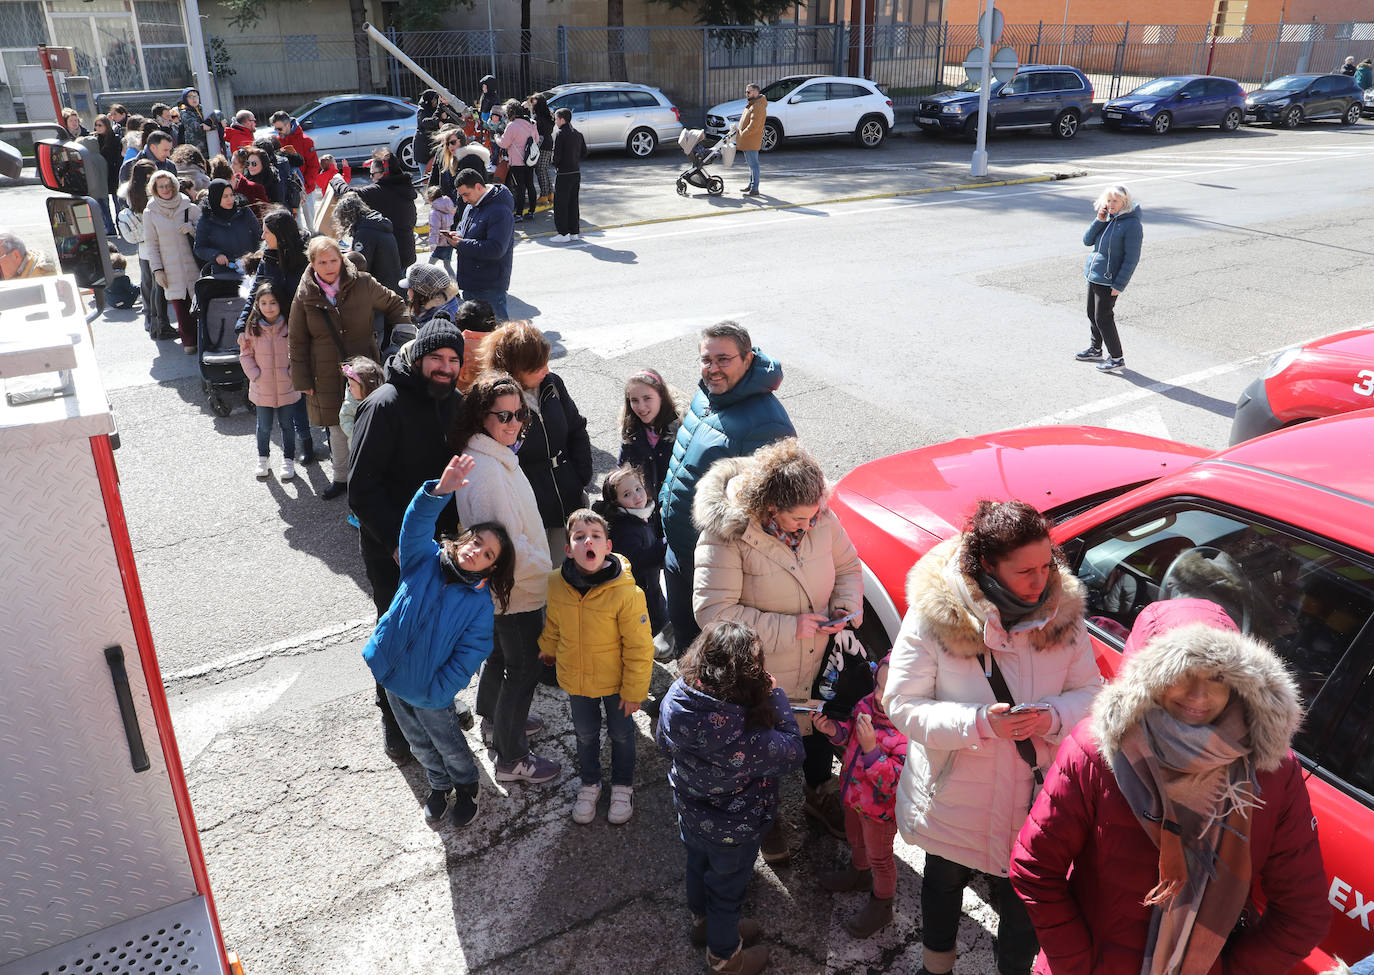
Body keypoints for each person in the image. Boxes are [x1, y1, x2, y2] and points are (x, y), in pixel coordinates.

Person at [1010, 599, 1330, 975]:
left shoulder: (1271, 771)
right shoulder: (1098, 751)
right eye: (1181, 674)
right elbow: (1035, 866)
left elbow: (1303, 914)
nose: (1198, 696)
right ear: (1148, 677)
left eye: (1217, 677)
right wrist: (1077, 963)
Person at [884, 499, 1102, 975]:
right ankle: (935, 967)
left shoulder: (1064, 613)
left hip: (1033, 797)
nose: (1041, 581)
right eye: (1025, 571)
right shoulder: (935, 617)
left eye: (1047, 565)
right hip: (955, 796)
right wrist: (980, 723)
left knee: (1026, 900)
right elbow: (900, 704)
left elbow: (1091, 692)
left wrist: (1052, 716)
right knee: (942, 880)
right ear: (987, 566)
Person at [692, 437, 864, 857]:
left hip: (820, 661)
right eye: (798, 519)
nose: (810, 524)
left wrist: (844, 606)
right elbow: (713, 613)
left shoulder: (818, 514)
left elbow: (847, 565)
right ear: (770, 507)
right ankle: (763, 818)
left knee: (818, 732)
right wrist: (793, 628)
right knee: (760, 749)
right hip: (760, 670)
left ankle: (819, 792)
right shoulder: (728, 533)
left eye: (815, 515)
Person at [361, 454, 516, 829]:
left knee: (448, 742)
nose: (476, 550)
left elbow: (471, 654)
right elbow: (414, 525)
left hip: (430, 692)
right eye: (476, 541)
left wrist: (440, 690)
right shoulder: (424, 559)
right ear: (464, 539)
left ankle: (466, 785)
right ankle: (437, 783)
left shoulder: (478, 605)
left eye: (487, 553)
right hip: (392, 674)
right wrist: (439, 491)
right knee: (417, 742)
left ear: (491, 567)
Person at [656, 619, 805, 975]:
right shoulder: (748, 732)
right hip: (734, 830)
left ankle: (702, 925)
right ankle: (725, 957)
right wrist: (777, 696)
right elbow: (794, 753)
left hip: (690, 813)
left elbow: (662, 741)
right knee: (727, 892)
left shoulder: (677, 697)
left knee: (697, 865)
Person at [349, 317, 467, 761]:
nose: (445, 366)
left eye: (453, 359)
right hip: (391, 550)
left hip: (443, 547)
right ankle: (394, 719)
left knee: (438, 627)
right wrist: (396, 543)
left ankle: (435, 702)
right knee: (396, 632)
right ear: (418, 357)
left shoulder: (452, 402)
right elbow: (361, 488)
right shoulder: (384, 404)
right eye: (436, 357)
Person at [660, 321, 796, 656]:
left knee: (709, 654)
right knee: (683, 637)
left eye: (724, 359)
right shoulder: (709, 394)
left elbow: (773, 512)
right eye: (707, 360)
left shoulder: (767, 422)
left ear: (747, 359)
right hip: (679, 552)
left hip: (711, 566)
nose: (713, 369)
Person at [450, 373, 559, 784]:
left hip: (504, 588)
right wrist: (548, 575)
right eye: (503, 416)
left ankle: (495, 721)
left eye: (519, 415)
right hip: (515, 587)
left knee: (500, 657)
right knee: (524, 669)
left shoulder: (490, 455)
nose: (514, 423)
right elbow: (508, 543)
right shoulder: (489, 472)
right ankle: (511, 758)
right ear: (482, 416)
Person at [538, 508, 654, 825]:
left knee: (621, 734)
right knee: (585, 734)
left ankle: (622, 785)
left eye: (595, 536)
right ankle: (590, 783)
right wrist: (548, 649)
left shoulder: (627, 593)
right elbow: (554, 623)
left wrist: (634, 691)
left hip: (617, 684)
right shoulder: (556, 583)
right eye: (579, 537)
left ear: (607, 546)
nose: (587, 540)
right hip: (577, 681)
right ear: (568, 549)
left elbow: (640, 647)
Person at [289, 236, 409, 500]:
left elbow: (395, 304)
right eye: (323, 262)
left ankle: (377, 475)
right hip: (326, 372)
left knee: (372, 423)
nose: (330, 266)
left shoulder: (363, 283)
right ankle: (342, 479)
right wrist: (302, 378)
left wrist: (402, 338)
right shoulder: (305, 293)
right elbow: (296, 339)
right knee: (336, 427)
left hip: (364, 368)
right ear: (312, 264)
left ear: (342, 259)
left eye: (334, 260)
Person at [479, 321, 592, 562]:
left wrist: (581, 474)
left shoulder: (552, 383)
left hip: (569, 496)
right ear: (515, 368)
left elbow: (576, 428)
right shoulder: (495, 403)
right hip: (531, 511)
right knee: (545, 580)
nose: (546, 370)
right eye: (537, 366)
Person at [813, 655, 907, 938]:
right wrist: (833, 731)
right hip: (854, 795)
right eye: (877, 685)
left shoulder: (907, 733)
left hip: (881, 811)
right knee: (855, 838)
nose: (878, 697)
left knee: (881, 857)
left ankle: (882, 905)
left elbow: (892, 783)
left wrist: (871, 750)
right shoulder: (865, 704)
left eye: (888, 692)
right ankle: (859, 873)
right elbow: (849, 735)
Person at [1076, 184, 1143, 374]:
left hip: (1110, 280)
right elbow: (1087, 241)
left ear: (1125, 202)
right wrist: (1099, 219)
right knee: (1092, 314)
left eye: (1116, 201)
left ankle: (1116, 358)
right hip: (1094, 275)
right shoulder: (1108, 219)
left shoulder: (1132, 224)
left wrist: (1119, 284)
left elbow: (1132, 258)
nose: (1111, 204)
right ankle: (1095, 349)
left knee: (1103, 318)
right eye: (1109, 200)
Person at [592, 465, 667, 636]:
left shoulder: (639, 513)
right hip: (639, 594)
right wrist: (663, 544)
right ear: (616, 502)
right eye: (627, 494)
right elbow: (638, 561)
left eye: (638, 488)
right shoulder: (625, 528)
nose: (636, 496)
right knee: (643, 631)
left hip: (648, 587)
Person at [239, 282, 301, 480]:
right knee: (263, 426)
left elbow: (299, 351)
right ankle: (262, 458)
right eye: (263, 303)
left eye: (273, 302)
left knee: (287, 425)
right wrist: (255, 374)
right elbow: (245, 354)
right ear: (257, 304)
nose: (268, 307)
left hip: (287, 385)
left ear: (280, 303)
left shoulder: (290, 325)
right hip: (262, 386)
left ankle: (288, 459)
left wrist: (293, 372)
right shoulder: (253, 327)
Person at [141, 170, 202, 352]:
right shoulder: (149, 213)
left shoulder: (189, 207)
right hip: (169, 269)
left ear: (174, 186)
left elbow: (206, 232)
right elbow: (151, 244)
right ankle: (189, 343)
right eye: (161, 186)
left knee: (200, 306)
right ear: (154, 189)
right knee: (181, 310)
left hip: (194, 266)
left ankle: (206, 342)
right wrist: (157, 270)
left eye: (168, 185)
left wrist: (192, 230)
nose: (165, 189)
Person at [117, 161, 172, 339]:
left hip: (142, 246)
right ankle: (159, 324)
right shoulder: (152, 195)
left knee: (147, 284)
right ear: (148, 176)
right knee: (158, 286)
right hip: (157, 244)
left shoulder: (129, 194)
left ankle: (149, 320)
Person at [451, 168, 515, 320]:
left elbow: (496, 249)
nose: (464, 199)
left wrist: (461, 244)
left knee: (497, 338)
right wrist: (457, 235)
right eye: (461, 196)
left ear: (479, 187)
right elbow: (463, 228)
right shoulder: (470, 205)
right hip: (470, 282)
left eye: (466, 194)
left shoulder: (499, 211)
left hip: (490, 286)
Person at [618, 368, 680, 510]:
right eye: (634, 400)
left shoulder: (681, 431)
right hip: (644, 509)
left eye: (647, 398)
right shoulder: (631, 431)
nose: (641, 407)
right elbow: (622, 470)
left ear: (661, 397)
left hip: (673, 508)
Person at [351, 149, 418, 271]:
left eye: (373, 173)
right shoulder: (403, 186)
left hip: (393, 259)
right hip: (407, 254)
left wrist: (336, 179)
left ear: (383, 173)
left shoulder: (380, 191)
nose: (371, 177)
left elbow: (349, 194)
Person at [333, 193, 403, 297]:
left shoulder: (364, 233)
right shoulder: (376, 224)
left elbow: (360, 266)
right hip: (392, 283)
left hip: (380, 289)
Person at [194, 178, 260, 270]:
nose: (230, 199)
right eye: (225, 196)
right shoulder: (206, 219)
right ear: (216, 198)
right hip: (224, 272)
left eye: (231, 195)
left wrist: (256, 255)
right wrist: (216, 255)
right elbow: (199, 248)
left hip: (249, 268)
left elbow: (259, 235)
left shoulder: (244, 211)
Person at [496, 99, 539, 222]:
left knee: (520, 188)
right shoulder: (531, 123)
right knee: (530, 185)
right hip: (529, 160)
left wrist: (497, 137)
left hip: (516, 162)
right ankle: (531, 211)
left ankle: (519, 214)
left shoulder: (512, 126)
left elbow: (504, 144)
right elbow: (535, 139)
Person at [550, 107, 587, 243]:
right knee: (573, 203)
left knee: (560, 204)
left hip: (564, 173)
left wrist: (556, 164)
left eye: (556, 118)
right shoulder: (578, 133)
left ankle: (563, 233)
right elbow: (584, 152)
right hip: (576, 172)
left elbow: (556, 157)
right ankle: (574, 232)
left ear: (562, 120)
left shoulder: (560, 134)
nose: (555, 121)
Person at [270, 110, 321, 194]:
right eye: (275, 129)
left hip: (305, 189)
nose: (277, 131)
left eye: (279, 128)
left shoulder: (306, 141)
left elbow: (314, 165)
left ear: (288, 125)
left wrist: (305, 185)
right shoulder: (277, 141)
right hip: (287, 191)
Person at [403, 261, 460, 327]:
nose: (407, 293)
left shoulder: (441, 324)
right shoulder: (422, 304)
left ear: (422, 295)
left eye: (410, 288)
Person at [93, 114, 123, 233]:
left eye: (100, 125)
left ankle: (122, 227)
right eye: (96, 125)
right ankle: (110, 229)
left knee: (118, 204)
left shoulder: (115, 139)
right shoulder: (94, 140)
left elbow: (117, 157)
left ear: (106, 125)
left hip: (114, 174)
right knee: (103, 204)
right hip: (101, 175)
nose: (97, 128)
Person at [737, 84, 766, 197]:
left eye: (748, 92)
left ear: (755, 92)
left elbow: (754, 125)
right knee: (751, 164)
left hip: (751, 139)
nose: (746, 94)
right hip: (747, 139)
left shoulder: (757, 106)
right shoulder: (752, 104)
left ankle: (754, 188)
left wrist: (743, 134)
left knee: (754, 164)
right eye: (746, 92)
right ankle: (751, 184)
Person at [528, 93, 555, 209]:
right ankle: (550, 193)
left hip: (542, 144)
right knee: (545, 169)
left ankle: (544, 195)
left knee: (540, 170)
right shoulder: (548, 115)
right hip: (549, 143)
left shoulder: (538, 118)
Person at [175, 88, 213, 157]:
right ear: (185, 99)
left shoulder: (204, 109)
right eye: (190, 97)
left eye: (195, 96)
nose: (194, 99)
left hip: (210, 147)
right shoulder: (185, 113)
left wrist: (211, 122)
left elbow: (217, 115)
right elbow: (197, 128)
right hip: (196, 150)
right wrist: (211, 125)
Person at [426, 184, 456, 269]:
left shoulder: (434, 212)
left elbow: (434, 229)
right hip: (448, 241)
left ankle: (424, 282)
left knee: (429, 267)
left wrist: (432, 243)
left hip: (439, 243)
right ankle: (454, 281)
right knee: (447, 265)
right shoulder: (449, 206)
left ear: (430, 198)